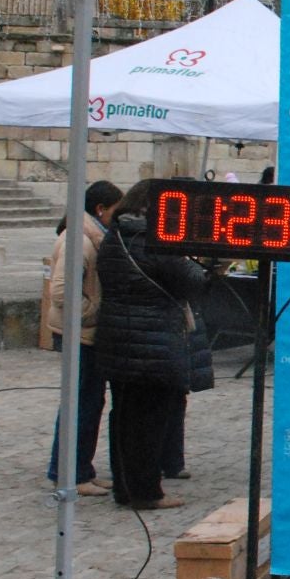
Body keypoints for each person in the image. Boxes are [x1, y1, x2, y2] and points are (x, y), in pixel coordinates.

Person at [94, 179, 214, 510]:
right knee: (148, 422)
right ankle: (146, 491)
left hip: (118, 339)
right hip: (153, 342)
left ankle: (126, 486)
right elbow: (192, 281)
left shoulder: (115, 236)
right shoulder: (154, 239)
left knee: (124, 419)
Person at [44, 180, 124, 496]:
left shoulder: (93, 237)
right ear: (101, 209)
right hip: (79, 333)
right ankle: (68, 473)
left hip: (88, 333)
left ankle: (82, 469)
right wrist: (95, 310)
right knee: (79, 404)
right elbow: (62, 291)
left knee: (91, 402)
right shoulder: (79, 240)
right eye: (115, 211)